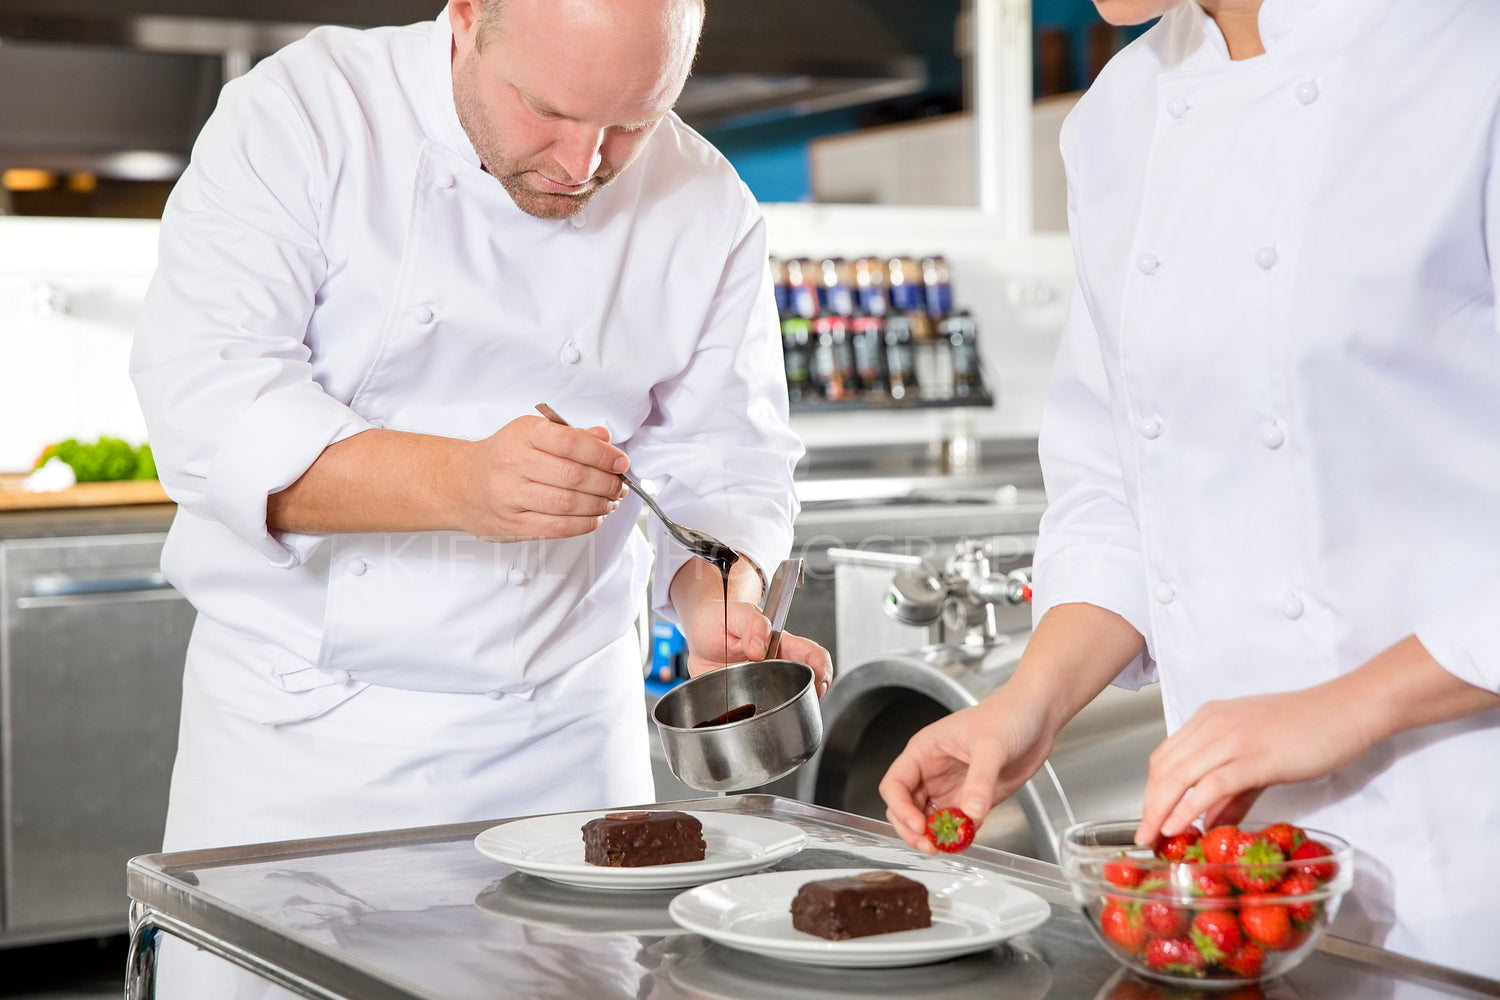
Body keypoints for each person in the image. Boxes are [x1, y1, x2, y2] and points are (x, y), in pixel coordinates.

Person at [131, 0, 828, 993]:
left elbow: (725, 462)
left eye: (633, 121)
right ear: (466, 22)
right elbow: (209, 413)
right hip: (300, 751)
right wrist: (464, 482)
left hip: (562, 750)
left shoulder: (708, 202)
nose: (583, 162)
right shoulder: (306, 115)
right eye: (547, 110)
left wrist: (723, 603)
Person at [880, 0, 1500, 980]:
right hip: (1243, 879)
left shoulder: (1473, 57)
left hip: (1474, 841)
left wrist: (1345, 705)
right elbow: (1117, 492)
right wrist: (1028, 705)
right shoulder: (1120, 118)